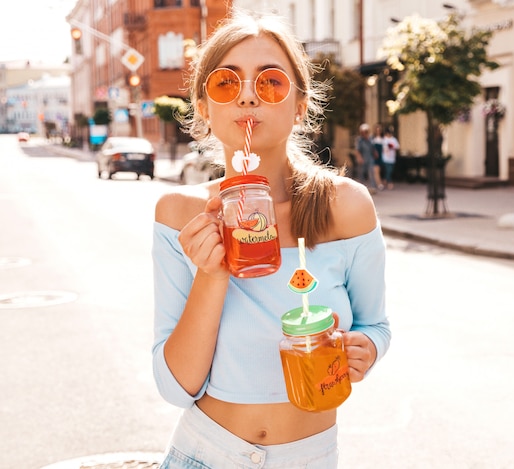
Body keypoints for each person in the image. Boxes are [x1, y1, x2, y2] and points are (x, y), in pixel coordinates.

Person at [151, 10, 391, 469]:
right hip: (205, 453)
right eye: (226, 83)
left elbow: (375, 325)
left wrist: (366, 349)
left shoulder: (347, 206)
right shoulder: (179, 214)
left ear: (299, 102)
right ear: (204, 106)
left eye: (270, 83)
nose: (246, 97)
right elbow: (175, 386)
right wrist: (212, 273)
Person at [354, 123, 378, 193]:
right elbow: (357, 150)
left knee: (371, 171)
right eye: (364, 131)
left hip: (370, 158)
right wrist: (359, 158)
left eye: (366, 131)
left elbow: (372, 147)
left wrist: (375, 153)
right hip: (363, 158)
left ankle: (373, 187)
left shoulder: (370, 138)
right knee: (361, 173)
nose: (365, 133)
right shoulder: (359, 140)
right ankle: (361, 188)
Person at [372, 124, 385, 191]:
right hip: (375, 156)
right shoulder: (373, 139)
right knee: (376, 170)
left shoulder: (383, 139)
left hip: (382, 156)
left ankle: (380, 182)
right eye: (377, 130)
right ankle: (379, 184)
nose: (378, 131)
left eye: (379, 130)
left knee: (381, 171)